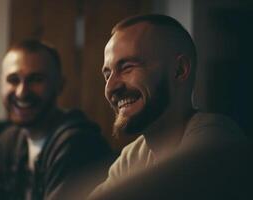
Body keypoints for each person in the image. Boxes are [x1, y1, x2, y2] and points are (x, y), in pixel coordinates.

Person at [90, 14, 250, 199]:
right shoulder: (132, 156)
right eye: (107, 75)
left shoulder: (215, 139)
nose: (111, 87)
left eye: (127, 67)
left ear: (179, 70)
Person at [0, 39, 111, 200]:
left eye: (36, 79)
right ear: (1, 84)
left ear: (60, 85)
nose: (21, 92)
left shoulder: (78, 143)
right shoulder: (7, 143)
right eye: (13, 80)